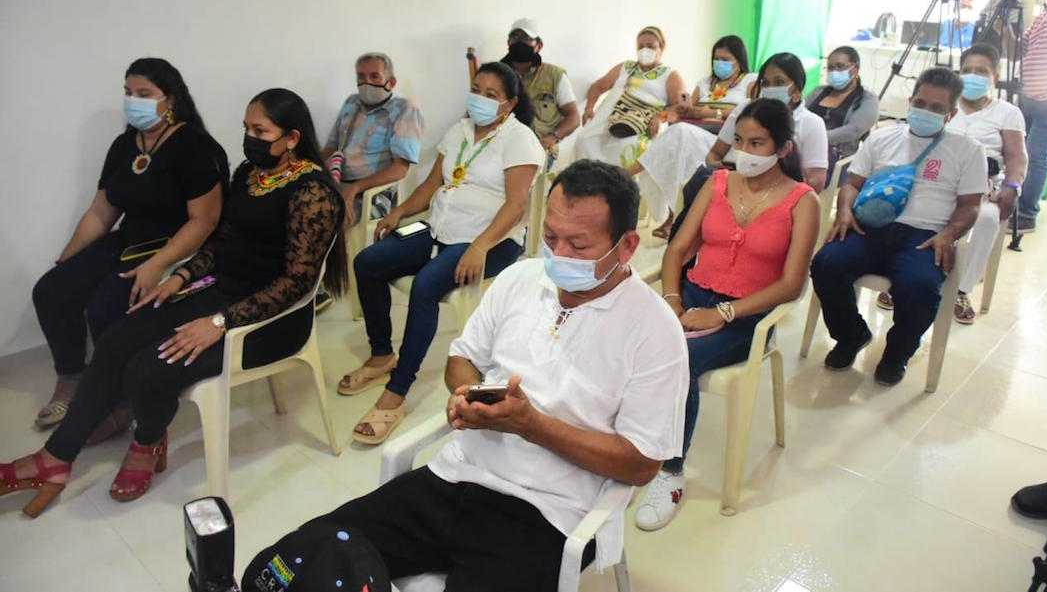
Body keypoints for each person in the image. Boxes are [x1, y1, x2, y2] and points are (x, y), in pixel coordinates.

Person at [246, 160, 688, 592]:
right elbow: (463, 357)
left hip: (547, 514)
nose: (559, 255)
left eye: (580, 245)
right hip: (454, 477)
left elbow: (641, 463)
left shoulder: (653, 331)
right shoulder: (521, 278)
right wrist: (469, 396)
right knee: (294, 565)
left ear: (627, 246)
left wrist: (533, 426)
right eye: (551, 237)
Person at [1, 88, 347, 516]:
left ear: (292, 138)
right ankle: (55, 459)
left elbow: (296, 283)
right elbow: (221, 243)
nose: (249, 137)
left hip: (269, 323)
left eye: (260, 131)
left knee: (147, 370)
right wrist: (180, 276)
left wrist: (218, 323)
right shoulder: (250, 174)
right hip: (221, 295)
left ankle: (147, 440)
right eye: (246, 128)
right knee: (116, 339)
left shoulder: (314, 194)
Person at [634, 99, 819, 531]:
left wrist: (723, 312)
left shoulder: (801, 201)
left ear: (783, 147)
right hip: (694, 293)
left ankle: (670, 471)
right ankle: (628, 443)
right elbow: (678, 249)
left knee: (681, 358)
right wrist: (672, 298)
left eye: (758, 143)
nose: (745, 152)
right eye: (739, 141)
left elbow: (791, 285)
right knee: (629, 338)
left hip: (748, 317)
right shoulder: (716, 182)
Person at [339, 62, 545, 445]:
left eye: (491, 95)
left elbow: (517, 206)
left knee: (426, 286)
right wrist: (401, 213)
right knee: (367, 262)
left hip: (489, 241)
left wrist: (481, 246)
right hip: (437, 229)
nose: (480, 99)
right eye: (476, 89)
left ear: (510, 103)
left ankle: (397, 392)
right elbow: (435, 183)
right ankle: (382, 354)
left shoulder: (519, 140)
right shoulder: (459, 130)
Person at [30, 58, 227, 433]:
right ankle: (72, 378)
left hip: (177, 248)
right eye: (127, 93)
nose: (132, 101)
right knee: (52, 290)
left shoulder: (195, 146)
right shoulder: (124, 145)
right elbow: (101, 212)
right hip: (129, 241)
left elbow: (205, 221)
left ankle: (118, 399)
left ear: (169, 99)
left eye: (143, 94)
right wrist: (66, 260)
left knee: (106, 304)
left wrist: (158, 264)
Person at [811, 68, 988, 386]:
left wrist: (948, 234)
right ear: (910, 101)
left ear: (951, 114)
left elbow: (970, 206)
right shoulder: (882, 138)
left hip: (925, 236)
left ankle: (897, 355)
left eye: (936, 108)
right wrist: (844, 212)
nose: (925, 111)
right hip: (870, 227)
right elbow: (852, 183)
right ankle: (852, 335)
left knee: (920, 288)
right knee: (826, 263)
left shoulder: (967, 150)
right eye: (920, 103)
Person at [318, 52, 424, 310]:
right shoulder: (351, 104)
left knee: (319, 218)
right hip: (338, 182)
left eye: (374, 77)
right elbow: (331, 147)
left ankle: (313, 289)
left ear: (391, 81)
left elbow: (400, 169)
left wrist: (354, 189)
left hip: (374, 194)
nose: (367, 83)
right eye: (361, 77)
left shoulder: (405, 110)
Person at [625, 35, 756, 236]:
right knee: (679, 140)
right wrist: (681, 112)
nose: (720, 63)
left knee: (680, 134)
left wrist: (711, 113)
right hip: (694, 136)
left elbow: (750, 112)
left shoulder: (749, 81)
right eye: (717, 58)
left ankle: (630, 172)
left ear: (739, 60)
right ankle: (673, 217)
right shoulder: (704, 83)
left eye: (725, 59)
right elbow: (686, 108)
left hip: (723, 143)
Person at [935, 43, 1026, 324]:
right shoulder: (945, 105)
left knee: (987, 219)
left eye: (981, 72)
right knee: (916, 208)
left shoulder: (1007, 112)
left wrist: (1012, 188)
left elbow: (1016, 156)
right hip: (940, 180)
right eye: (967, 71)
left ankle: (962, 289)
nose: (973, 76)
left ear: (995, 77)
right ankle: (904, 277)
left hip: (984, 187)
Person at [706, 52, 829, 193]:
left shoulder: (812, 123)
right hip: (734, 188)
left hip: (782, 197)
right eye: (765, 83)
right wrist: (722, 172)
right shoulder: (745, 110)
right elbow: (713, 155)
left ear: (797, 88)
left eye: (779, 82)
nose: (770, 88)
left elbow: (816, 183)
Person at [573, 26, 687, 168]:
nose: (645, 50)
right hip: (610, 118)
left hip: (643, 124)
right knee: (583, 140)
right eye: (641, 46)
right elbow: (598, 87)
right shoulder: (625, 67)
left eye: (650, 46)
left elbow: (681, 107)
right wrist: (589, 108)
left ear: (661, 48)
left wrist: (660, 118)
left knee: (625, 148)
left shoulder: (671, 75)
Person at [1013, 0, 1047, 234]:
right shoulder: (1043, 17)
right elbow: (1017, 50)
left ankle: (1027, 213)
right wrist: (1001, 25)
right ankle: (1013, 202)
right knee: (1018, 152)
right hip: (1028, 98)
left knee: (1036, 155)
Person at [499, 18, 581, 159]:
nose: (519, 42)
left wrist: (553, 137)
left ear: (538, 45)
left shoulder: (555, 75)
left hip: (540, 150)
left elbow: (573, 117)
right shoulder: (497, 74)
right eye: (515, 37)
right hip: (502, 148)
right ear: (508, 43)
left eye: (526, 38)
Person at [804, 46, 880, 170]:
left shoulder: (867, 99)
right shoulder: (818, 92)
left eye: (840, 67)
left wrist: (816, 137)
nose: (834, 72)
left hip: (835, 162)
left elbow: (853, 131)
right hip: (804, 152)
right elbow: (801, 115)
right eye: (830, 68)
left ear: (855, 69)